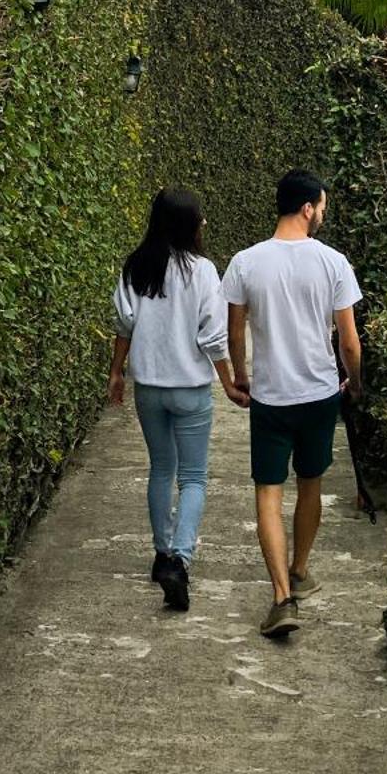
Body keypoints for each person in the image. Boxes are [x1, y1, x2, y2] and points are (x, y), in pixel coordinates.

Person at [223, 169, 362, 639]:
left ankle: (282, 597)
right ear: (308, 208)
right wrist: (355, 383)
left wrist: (241, 379)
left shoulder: (245, 262)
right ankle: (301, 569)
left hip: (271, 396)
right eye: (321, 206)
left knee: (267, 492)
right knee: (310, 484)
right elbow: (349, 342)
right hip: (320, 394)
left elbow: (235, 333)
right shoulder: (333, 262)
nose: (322, 213)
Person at [108, 188, 249, 613]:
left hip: (148, 387)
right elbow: (211, 335)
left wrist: (116, 371)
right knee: (193, 478)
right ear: (188, 225)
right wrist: (227, 382)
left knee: (160, 469)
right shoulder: (203, 271)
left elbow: (124, 322)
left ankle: (160, 553)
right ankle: (180, 561)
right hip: (190, 389)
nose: (204, 223)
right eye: (200, 218)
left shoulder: (136, 266)